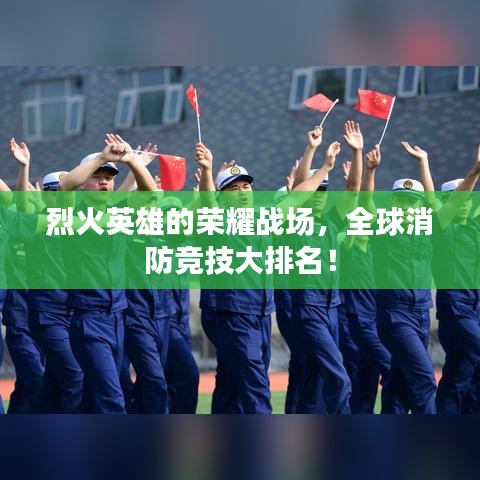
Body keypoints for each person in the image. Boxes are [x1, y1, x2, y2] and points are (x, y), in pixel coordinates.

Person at [58, 134, 156, 413]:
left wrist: (132, 161)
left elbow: (149, 192)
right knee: (112, 400)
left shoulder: (120, 214)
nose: (104, 182)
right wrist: (102, 157)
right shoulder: (70, 215)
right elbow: (65, 186)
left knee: (96, 399)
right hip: (88, 320)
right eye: (97, 177)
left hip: (117, 317)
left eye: (109, 178)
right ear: (84, 183)